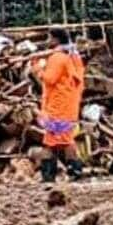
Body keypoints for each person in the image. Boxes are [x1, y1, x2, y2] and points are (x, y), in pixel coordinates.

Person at [34, 27, 86, 183]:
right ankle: (72, 172)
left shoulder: (57, 58)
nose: (47, 41)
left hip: (58, 106)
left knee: (53, 142)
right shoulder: (73, 56)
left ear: (55, 39)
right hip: (68, 105)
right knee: (63, 140)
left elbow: (50, 79)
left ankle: (51, 176)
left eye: (49, 38)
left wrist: (37, 69)